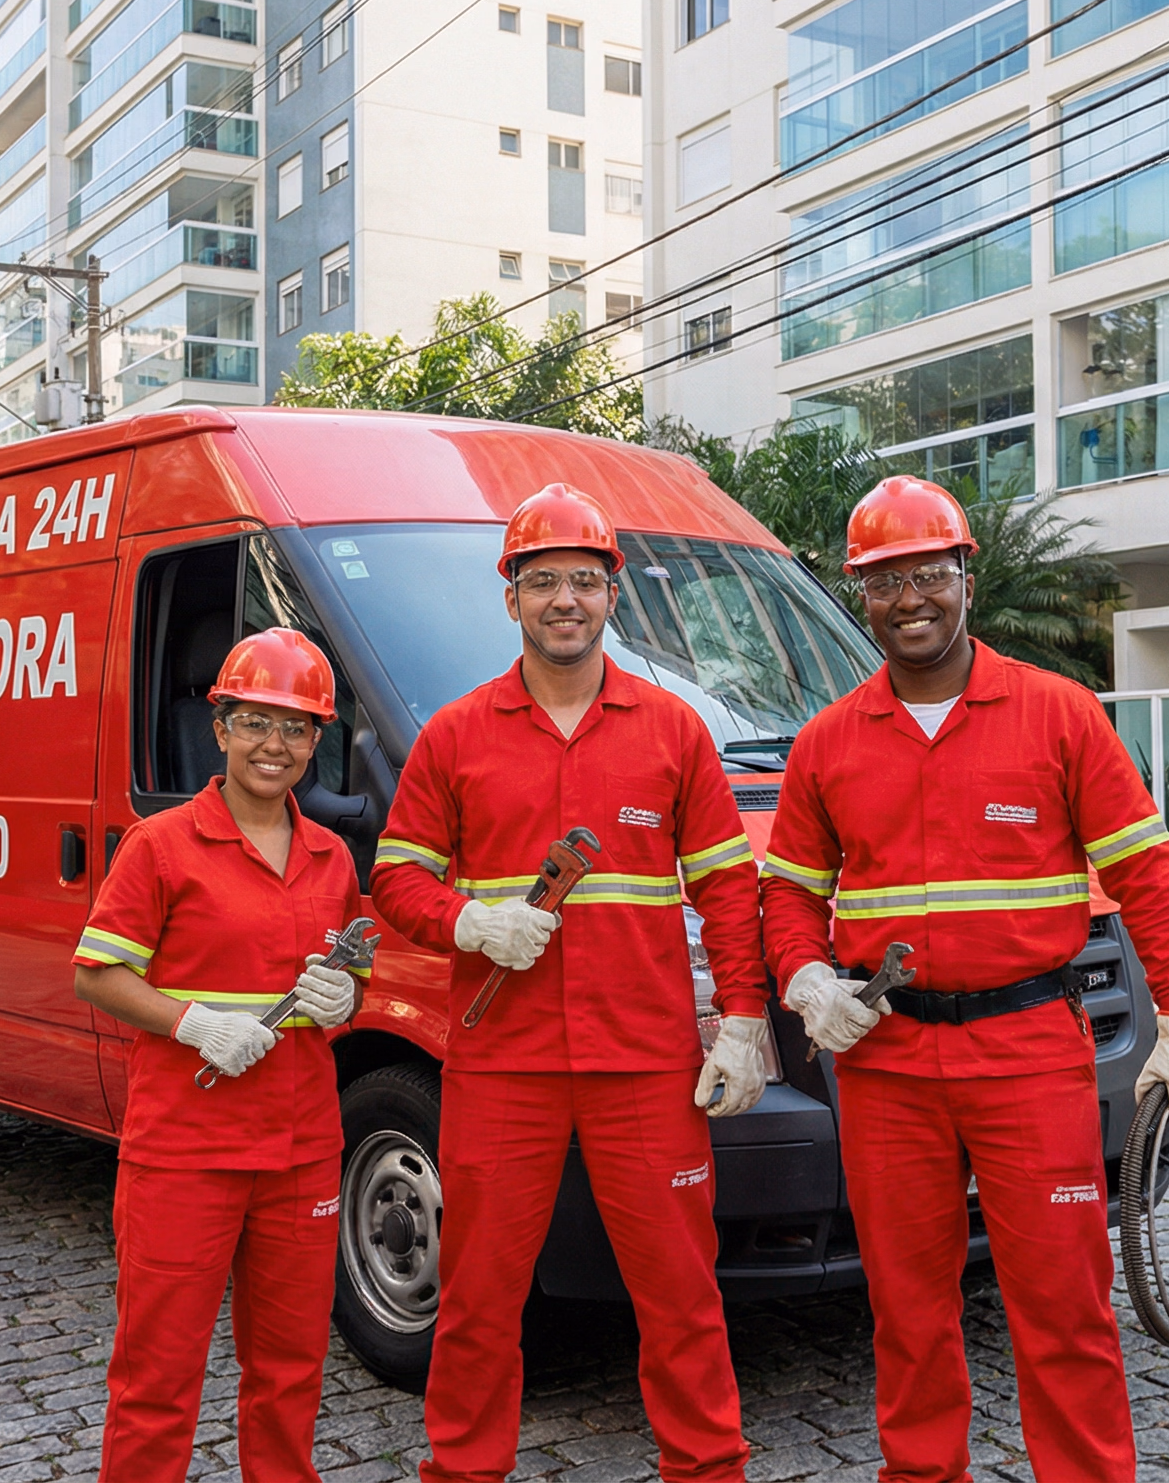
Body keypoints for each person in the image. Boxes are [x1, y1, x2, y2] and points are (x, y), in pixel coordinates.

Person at [756, 475, 1169, 1483]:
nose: (909, 599)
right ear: (859, 596)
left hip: (1028, 1055)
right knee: (907, 1308)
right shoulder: (828, 744)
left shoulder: (1056, 714)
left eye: (929, 573)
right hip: (886, 1067)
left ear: (966, 577)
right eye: (884, 582)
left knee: (1061, 1305)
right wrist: (801, 975)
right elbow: (786, 895)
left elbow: (1145, 870)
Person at [371, 482, 770, 1483]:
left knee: (680, 1294)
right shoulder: (456, 734)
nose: (563, 600)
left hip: (644, 1065)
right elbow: (394, 876)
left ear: (611, 597)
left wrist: (744, 1023)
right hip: (501, 1063)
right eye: (541, 580)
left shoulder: (675, 730)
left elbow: (727, 885)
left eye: (583, 582)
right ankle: (464, 1471)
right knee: (475, 1300)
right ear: (508, 598)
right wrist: (466, 918)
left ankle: (707, 1469)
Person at [71, 627, 367, 1483]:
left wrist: (346, 1001)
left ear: (318, 741)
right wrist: (194, 1022)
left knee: (289, 1376)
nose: (276, 746)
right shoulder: (161, 845)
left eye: (297, 728)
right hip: (185, 1154)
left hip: (302, 1153)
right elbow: (98, 974)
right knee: (157, 1378)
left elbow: (355, 970)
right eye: (257, 722)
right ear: (221, 727)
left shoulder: (331, 858)